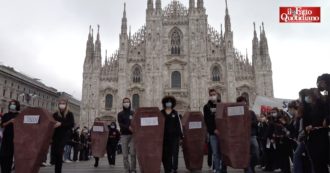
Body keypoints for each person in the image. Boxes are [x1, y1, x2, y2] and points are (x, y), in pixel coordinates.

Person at [303, 88, 329, 173]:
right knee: (316, 162)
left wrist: (313, 126)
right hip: (313, 137)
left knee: (321, 161)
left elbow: (322, 119)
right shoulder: (309, 108)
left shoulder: (321, 105)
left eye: (308, 95)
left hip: (320, 136)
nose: (307, 98)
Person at [236, 96, 259, 173]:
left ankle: (251, 165)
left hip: (252, 135)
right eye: (240, 103)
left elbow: (256, 123)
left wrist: (247, 123)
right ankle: (248, 169)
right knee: (245, 154)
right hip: (242, 137)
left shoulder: (251, 113)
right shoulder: (237, 115)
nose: (242, 104)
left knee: (256, 152)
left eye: (243, 102)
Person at [51, 98, 75, 173]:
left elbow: (71, 124)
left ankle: (58, 171)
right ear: (58, 105)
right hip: (56, 135)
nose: (62, 105)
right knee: (56, 153)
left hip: (65, 134)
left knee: (59, 152)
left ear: (66, 105)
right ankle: (56, 169)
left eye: (63, 103)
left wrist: (61, 124)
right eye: (60, 103)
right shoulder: (55, 114)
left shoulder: (69, 113)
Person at [161, 95, 183, 173]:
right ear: (164, 103)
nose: (168, 103)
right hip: (164, 137)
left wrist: (181, 136)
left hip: (174, 137)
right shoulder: (161, 112)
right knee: (166, 153)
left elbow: (178, 124)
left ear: (172, 103)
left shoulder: (175, 113)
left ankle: (174, 168)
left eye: (170, 102)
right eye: (167, 102)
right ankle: (168, 168)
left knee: (174, 152)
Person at [203, 89, 224, 173]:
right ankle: (217, 170)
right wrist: (214, 130)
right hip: (213, 133)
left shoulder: (221, 105)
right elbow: (207, 120)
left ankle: (223, 168)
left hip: (222, 133)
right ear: (209, 95)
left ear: (217, 95)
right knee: (215, 153)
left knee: (223, 152)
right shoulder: (207, 107)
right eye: (211, 95)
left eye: (214, 94)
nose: (213, 96)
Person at [0, 100, 20, 173]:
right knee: (4, 157)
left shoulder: (19, 115)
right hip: (6, 139)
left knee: (11, 157)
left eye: (14, 104)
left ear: (17, 106)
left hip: (16, 139)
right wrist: (10, 121)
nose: (12, 105)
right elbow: (2, 125)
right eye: (11, 104)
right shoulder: (6, 115)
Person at [118, 97, 136, 173]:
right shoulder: (120, 114)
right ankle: (126, 169)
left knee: (132, 153)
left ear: (130, 103)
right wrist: (128, 127)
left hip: (133, 135)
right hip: (124, 135)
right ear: (123, 103)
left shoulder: (133, 113)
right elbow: (120, 124)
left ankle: (133, 169)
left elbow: (136, 122)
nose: (126, 103)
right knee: (125, 154)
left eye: (127, 102)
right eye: (125, 102)